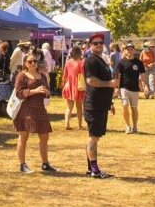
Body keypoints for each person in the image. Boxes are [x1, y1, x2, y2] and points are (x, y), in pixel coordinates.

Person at [13, 54, 56, 173]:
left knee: (44, 136)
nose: (33, 63)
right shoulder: (22, 76)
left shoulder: (42, 76)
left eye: (35, 61)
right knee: (23, 136)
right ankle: (22, 164)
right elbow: (19, 93)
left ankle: (45, 163)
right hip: (26, 109)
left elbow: (47, 91)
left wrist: (47, 92)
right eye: (30, 61)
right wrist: (34, 91)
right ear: (25, 63)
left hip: (40, 109)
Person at [82, 33, 117, 178]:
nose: (99, 45)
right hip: (93, 104)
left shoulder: (101, 60)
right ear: (90, 46)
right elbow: (91, 81)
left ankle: (91, 168)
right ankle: (95, 170)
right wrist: (110, 84)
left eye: (101, 43)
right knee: (93, 137)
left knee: (95, 137)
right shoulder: (91, 60)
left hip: (102, 103)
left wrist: (110, 102)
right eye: (95, 43)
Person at [115, 43, 145, 134]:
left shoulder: (138, 62)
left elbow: (142, 75)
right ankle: (128, 126)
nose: (130, 51)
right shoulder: (121, 62)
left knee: (134, 108)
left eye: (131, 49)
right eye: (128, 49)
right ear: (125, 51)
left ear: (134, 50)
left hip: (135, 88)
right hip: (124, 87)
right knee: (125, 105)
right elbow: (118, 76)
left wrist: (144, 85)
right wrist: (117, 87)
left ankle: (135, 126)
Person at [61, 46, 85, 130]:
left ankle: (67, 124)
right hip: (79, 86)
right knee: (79, 107)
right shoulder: (81, 63)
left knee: (69, 107)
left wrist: (63, 84)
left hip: (68, 85)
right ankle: (79, 125)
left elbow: (64, 75)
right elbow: (83, 74)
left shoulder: (68, 62)